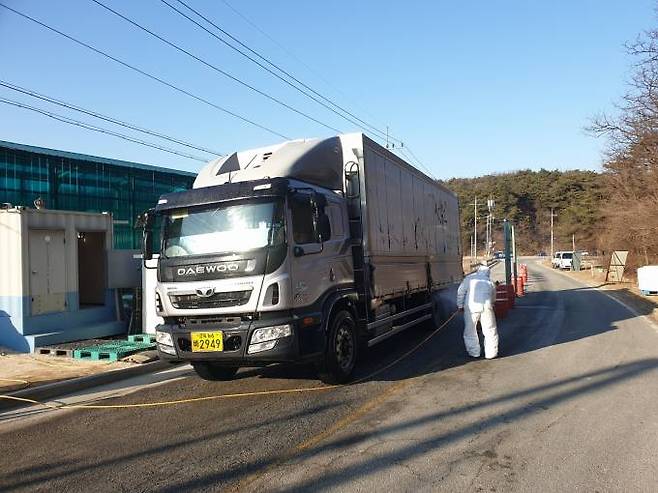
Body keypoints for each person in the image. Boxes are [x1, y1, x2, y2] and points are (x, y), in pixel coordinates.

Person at [456, 263, 499, 359]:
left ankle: (474, 352)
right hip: (487, 307)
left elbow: (461, 292)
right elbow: (493, 297)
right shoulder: (490, 282)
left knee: (470, 330)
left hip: (471, 308)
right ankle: (491, 353)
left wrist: (460, 305)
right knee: (490, 330)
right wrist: (492, 304)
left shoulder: (469, 279)